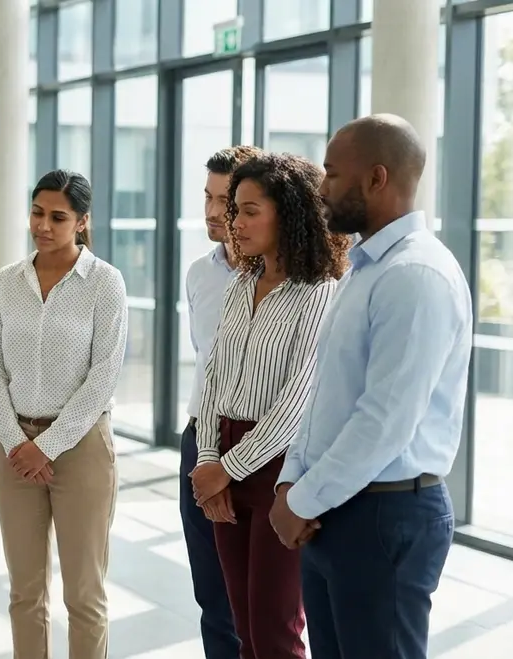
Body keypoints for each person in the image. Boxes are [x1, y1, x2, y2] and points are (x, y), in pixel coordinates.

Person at [271, 114, 472, 659]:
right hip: (338, 509)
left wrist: (302, 499)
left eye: (333, 174)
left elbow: (383, 421)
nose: (322, 187)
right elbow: (323, 398)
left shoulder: (416, 276)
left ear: (376, 178)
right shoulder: (365, 269)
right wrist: (290, 485)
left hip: (384, 518)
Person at [191, 152, 350, 659]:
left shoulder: (319, 293)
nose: (235, 222)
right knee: (243, 628)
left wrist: (228, 469)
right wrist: (208, 460)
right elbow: (213, 377)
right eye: (234, 210)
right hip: (226, 454)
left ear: (289, 212)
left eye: (249, 210)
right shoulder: (240, 285)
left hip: (282, 466)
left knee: (275, 628)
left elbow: (297, 399)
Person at [0, 169, 128, 659]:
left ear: (82, 221)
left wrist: (44, 447)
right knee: (25, 594)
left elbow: (104, 376)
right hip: (13, 446)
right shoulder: (7, 283)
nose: (43, 225)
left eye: (58, 217)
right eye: (37, 213)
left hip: (82, 448)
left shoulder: (105, 283)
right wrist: (15, 442)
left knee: (84, 597)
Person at [180, 145, 260, 659]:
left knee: (264, 604)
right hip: (200, 438)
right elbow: (207, 368)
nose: (212, 212)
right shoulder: (200, 275)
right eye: (207, 197)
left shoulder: (295, 281)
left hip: (260, 444)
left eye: (225, 200)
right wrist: (207, 455)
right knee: (212, 595)